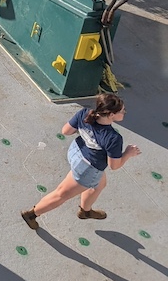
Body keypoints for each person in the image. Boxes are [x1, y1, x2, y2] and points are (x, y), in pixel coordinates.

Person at [21, 93, 141, 230]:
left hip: (75, 153)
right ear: (111, 115)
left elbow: (66, 131)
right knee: (61, 194)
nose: (124, 113)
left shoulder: (85, 113)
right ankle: (32, 214)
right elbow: (114, 165)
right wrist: (128, 153)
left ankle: (85, 211)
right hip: (87, 169)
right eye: (122, 111)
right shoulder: (113, 138)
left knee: (99, 184)